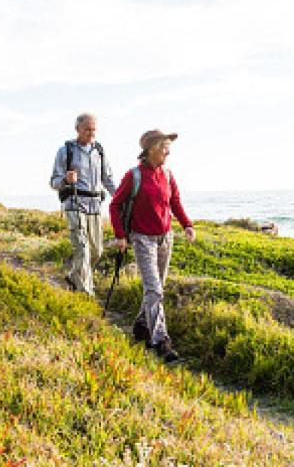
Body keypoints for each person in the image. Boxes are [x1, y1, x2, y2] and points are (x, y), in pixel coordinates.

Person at [109, 129, 195, 363]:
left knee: (156, 289)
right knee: (154, 289)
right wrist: (120, 235)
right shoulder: (134, 175)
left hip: (166, 237)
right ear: (151, 149)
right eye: (164, 147)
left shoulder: (167, 175)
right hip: (142, 239)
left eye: (168, 147)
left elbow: (175, 202)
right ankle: (160, 340)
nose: (167, 152)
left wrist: (187, 224)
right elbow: (114, 205)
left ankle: (140, 326)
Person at [50, 113, 116, 295]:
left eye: (93, 130)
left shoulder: (99, 151)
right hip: (74, 204)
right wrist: (65, 179)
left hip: (95, 207)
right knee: (82, 249)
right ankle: (85, 293)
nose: (91, 133)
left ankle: (74, 276)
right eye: (87, 129)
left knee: (97, 251)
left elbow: (107, 179)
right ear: (77, 128)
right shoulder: (66, 151)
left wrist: (119, 197)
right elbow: (54, 181)